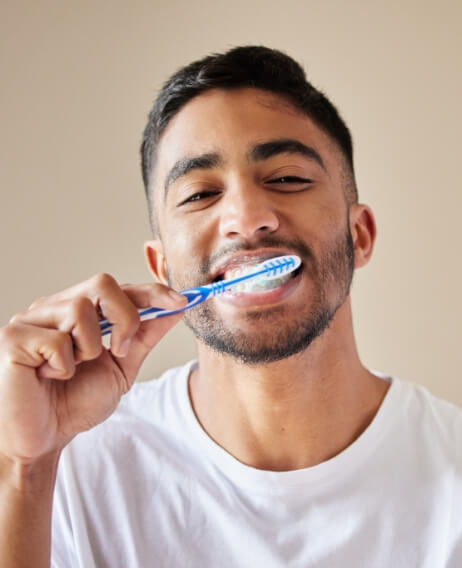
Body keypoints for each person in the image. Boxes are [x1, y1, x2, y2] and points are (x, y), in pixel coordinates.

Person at [0, 45, 461, 568]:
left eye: (287, 178)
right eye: (199, 194)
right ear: (162, 267)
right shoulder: (66, 473)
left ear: (360, 235)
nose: (247, 217)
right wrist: (25, 469)